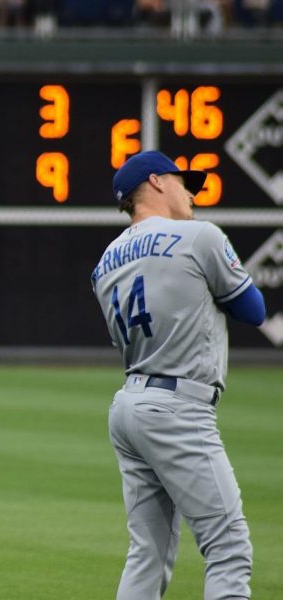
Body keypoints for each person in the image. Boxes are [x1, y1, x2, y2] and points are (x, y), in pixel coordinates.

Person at [91, 150, 265, 600]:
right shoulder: (198, 236)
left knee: (147, 553)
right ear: (156, 181)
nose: (192, 193)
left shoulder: (105, 262)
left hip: (129, 404)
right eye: (183, 182)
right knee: (228, 548)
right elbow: (253, 309)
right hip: (179, 405)